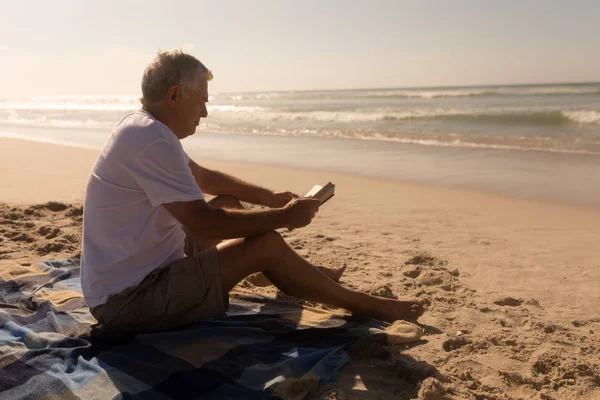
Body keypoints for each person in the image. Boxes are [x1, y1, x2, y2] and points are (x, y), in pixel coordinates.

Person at [81, 49, 427, 334]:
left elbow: (205, 178)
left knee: (231, 205)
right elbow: (204, 224)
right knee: (265, 242)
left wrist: (272, 197)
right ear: (174, 95)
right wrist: (284, 217)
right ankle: (365, 305)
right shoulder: (152, 139)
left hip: (130, 277)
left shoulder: (142, 127)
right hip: (129, 302)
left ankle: (284, 272)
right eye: (201, 100)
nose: (205, 111)